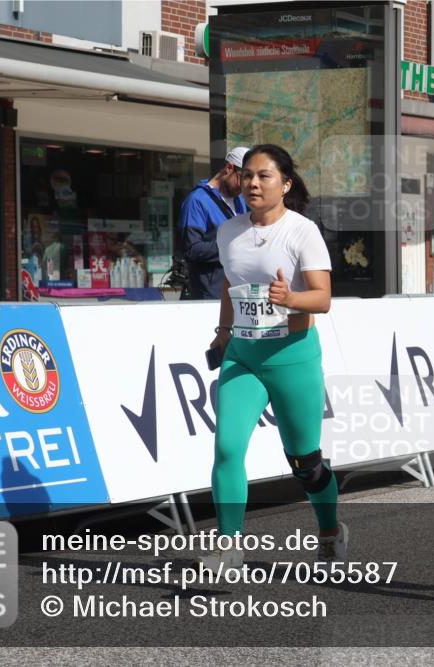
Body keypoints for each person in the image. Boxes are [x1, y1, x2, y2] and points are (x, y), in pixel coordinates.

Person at [201, 144, 345, 569]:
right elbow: (230, 285)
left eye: (263, 176)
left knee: (306, 462)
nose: (252, 183)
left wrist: (290, 297)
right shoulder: (228, 231)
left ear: (285, 184)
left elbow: (322, 299)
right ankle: (229, 547)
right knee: (227, 447)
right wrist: (223, 332)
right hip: (243, 356)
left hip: (292, 356)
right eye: (247, 175)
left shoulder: (302, 231)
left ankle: (331, 532)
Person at [178, 146, 249, 299]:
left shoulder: (241, 200)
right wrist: (231, 245)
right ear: (229, 168)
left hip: (238, 291)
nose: (245, 187)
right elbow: (192, 250)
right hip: (210, 294)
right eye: (243, 178)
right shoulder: (197, 201)